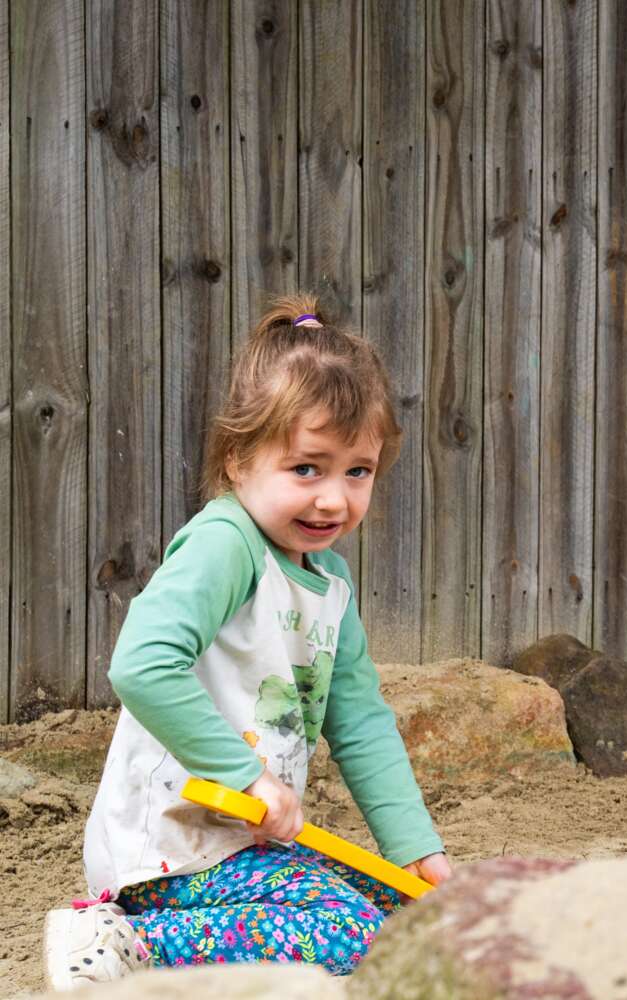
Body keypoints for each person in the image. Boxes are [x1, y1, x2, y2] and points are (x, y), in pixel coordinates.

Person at [43, 295, 450, 988]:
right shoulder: (226, 544)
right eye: (307, 469)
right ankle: (123, 939)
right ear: (238, 460)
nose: (333, 499)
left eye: (358, 471)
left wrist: (411, 847)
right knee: (351, 932)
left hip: (245, 848)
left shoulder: (329, 584)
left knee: (405, 911)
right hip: (173, 852)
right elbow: (141, 665)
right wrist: (246, 775)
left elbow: (361, 724)